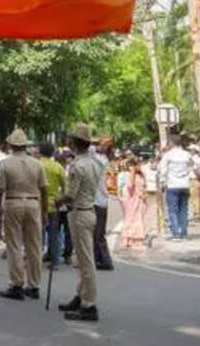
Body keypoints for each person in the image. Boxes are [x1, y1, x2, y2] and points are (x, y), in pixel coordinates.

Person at [0, 128, 45, 301]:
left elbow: (0, 190)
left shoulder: (5, 163)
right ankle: (34, 285)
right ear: (25, 145)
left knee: (14, 244)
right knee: (34, 246)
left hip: (13, 201)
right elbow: (44, 189)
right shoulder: (37, 164)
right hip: (33, 202)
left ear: (11, 145)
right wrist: (44, 211)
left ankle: (16, 284)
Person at [57, 124, 101, 322]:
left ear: (76, 142)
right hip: (88, 211)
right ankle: (81, 296)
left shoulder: (78, 166)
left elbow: (70, 195)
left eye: (71, 139)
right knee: (84, 260)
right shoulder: (94, 163)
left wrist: (58, 199)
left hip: (80, 213)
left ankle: (89, 305)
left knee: (85, 262)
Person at [161, 134, 199, 240]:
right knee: (183, 210)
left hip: (172, 185)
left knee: (173, 210)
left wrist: (162, 183)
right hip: (185, 185)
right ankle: (184, 233)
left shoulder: (168, 155)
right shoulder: (187, 155)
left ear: (171, 143)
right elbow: (194, 166)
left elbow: (163, 170)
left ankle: (176, 234)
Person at [37, 140, 67, 264]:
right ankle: (54, 260)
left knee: (38, 234)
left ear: (40, 152)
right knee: (53, 234)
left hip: (37, 205)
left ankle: (36, 259)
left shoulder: (36, 165)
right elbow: (66, 187)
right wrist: (60, 199)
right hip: (53, 205)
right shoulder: (57, 167)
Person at [92, 137, 115, 270]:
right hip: (100, 201)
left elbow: (89, 150)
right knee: (97, 233)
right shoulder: (102, 159)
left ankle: (105, 260)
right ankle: (98, 259)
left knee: (98, 234)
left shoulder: (101, 160)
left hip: (98, 200)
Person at [119, 159, 148, 253]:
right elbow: (130, 186)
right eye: (138, 165)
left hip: (140, 200)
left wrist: (144, 194)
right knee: (132, 219)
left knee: (138, 219)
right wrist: (132, 172)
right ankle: (131, 239)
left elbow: (144, 186)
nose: (140, 166)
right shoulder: (131, 175)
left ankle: (133, 239)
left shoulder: (141, 175)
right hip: (132, 200)